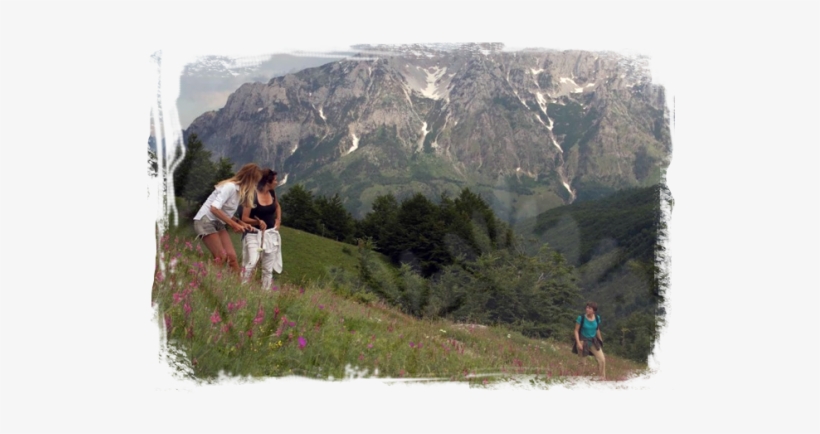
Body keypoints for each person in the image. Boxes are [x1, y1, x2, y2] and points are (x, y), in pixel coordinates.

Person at [192, 163, 262, 272]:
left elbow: (224, 212)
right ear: (249, 179)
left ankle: (238, 288)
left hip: (217, 222)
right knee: (220, 257)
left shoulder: (240, 192)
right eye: (256, 182)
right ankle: (207, 282)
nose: (256, 185)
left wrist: (241, 223)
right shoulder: (230, 187)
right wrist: (234, 225)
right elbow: (214, 208)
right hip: (205, 220)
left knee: (232, 258)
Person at [240, 168, 283, 289]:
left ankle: (265, 293)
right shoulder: (252, 195)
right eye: (275, 180)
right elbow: (244, 218)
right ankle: (242, 288)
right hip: (253, 233)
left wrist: (278, 220)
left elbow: (278, 206)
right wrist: (257, 221)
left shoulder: (272, 193)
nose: (277, 182)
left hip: (270, 233)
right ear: (267, 181)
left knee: (268, 268)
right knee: (252, 261)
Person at [574, 301, 606, 380]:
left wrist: (600, 340)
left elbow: (597, 329)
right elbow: (576, 331)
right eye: (587, 307)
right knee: (582, 362)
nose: (587, 309)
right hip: (583, 341)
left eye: (589, 308)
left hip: (593, 341)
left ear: (594, 310)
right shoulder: (581, 318)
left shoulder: (597, 318)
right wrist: (578, 343)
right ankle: (579, 379)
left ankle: (602, 378)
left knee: (602, 360)